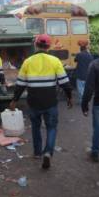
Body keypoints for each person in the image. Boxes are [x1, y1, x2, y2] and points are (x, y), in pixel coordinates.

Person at [10, 34, 72, 169]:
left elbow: (20, 84)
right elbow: (64, 82)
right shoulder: (55, 61)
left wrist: (14, 100)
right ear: (49, 46)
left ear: (36, 45)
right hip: (50, 102)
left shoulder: (28, 61)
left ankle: (37, 153)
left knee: (36, 127)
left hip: (33, 102)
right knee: (51, 127)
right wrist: (69, 97)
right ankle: (48, 152)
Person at [82, 39, 99, 163]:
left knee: (98, 130)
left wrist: (84, 104)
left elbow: (89, 87)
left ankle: (95, 153)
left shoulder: (95, 64)